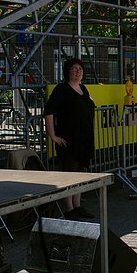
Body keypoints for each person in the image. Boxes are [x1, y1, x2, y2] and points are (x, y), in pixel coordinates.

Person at [44, 58, 95, 219]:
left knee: (80, 175)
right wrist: (53, 135)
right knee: (69, 174)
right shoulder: (61, 90)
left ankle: (78, 205)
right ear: (67, 72)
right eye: (74, 69)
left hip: (84, 139)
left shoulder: (83, 89)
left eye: (80, 69)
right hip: (68, 140)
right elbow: (49, 112)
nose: (78, 71)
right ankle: (69, 208)